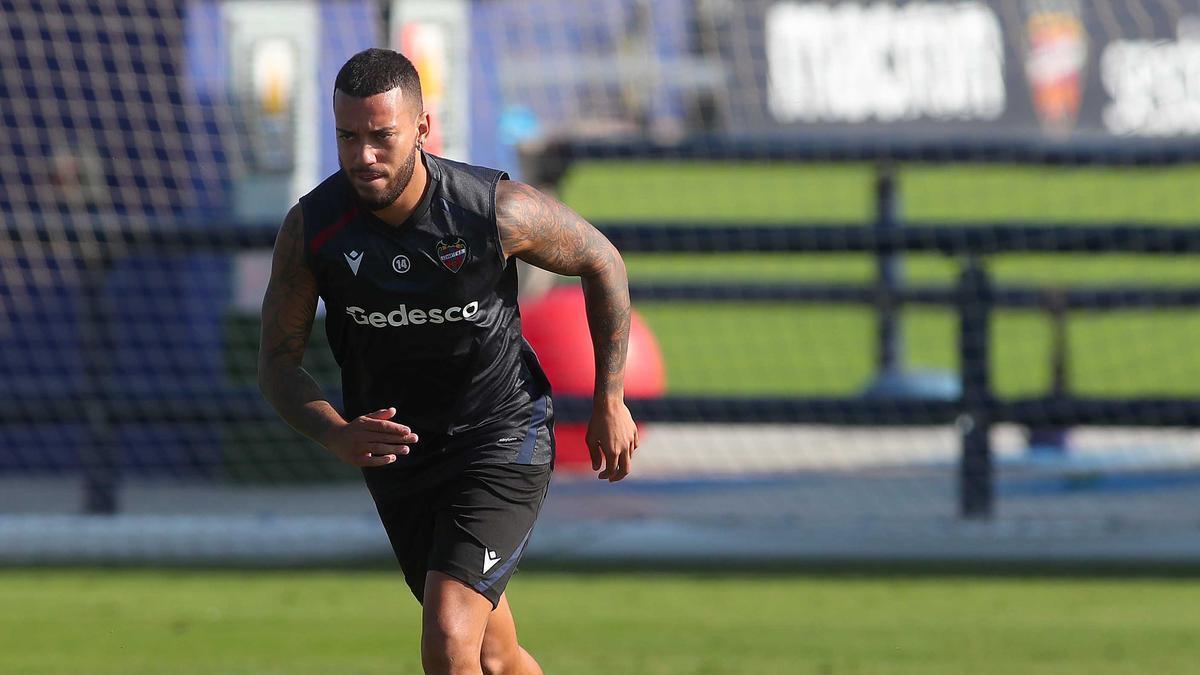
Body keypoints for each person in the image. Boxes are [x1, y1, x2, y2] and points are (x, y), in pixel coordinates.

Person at [257, 48, 638, 675]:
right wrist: (335, 431)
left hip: (500, 438)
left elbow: (603, 261)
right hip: (400, 456)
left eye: (382, 136)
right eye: (347, 137)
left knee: (449, 635)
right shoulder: (313, 229)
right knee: (495, 654)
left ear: (422, 130)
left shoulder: (491, 210)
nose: (364, 155)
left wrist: (609, 398)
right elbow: (277, 361)